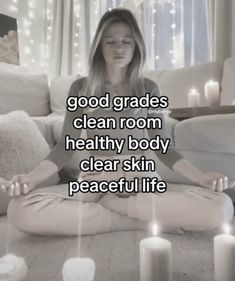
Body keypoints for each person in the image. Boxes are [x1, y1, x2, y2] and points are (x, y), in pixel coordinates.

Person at [1, 8, 234, 236]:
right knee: (19, 209)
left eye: (127, 41)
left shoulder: (149, 88)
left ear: (136, 46)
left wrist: (200, 177)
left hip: (141, 178)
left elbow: (165, 149)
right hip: (96, 180)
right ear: (100, 47)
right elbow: (65, 148)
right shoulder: (80, 88)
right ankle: (128, 222)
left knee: (222, 207)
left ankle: (118, 208)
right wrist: (31, 178)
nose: (119, 48)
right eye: (110, 41)